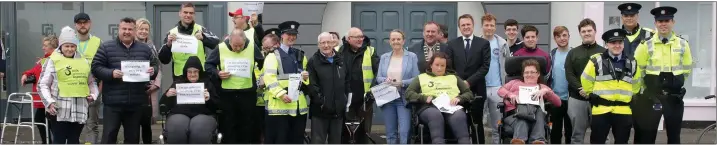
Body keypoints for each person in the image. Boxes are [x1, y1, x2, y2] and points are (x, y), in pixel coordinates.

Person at [92, 17, 159, 144]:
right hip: (113, 103)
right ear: (119, 29)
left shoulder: (145, 49)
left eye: (130, 29)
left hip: (135, 103)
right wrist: (111, 73)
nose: (127, 32)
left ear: (135, 31)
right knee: (109, 136)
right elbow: (95, 67)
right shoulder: (106, 47)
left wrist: (152, 71)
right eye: (124, 29)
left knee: (133, 138)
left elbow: (155, 66)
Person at [633, 6, 691, 144]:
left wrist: (677, 83)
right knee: (647, 137)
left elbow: (687, 69)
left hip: (673, 97)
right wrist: (638, 92)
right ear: (655, 23)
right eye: (660, 21)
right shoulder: (645, 45)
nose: (663, 24)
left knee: (674, 137)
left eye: (667, 20)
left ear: (673, 22)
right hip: (652, 98)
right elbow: (638, 72)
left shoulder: (683, 44)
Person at [38, 26, 100, 144]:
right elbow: (43, 84)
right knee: (59, 140)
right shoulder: (52, 60)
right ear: (61, 46)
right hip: (58, 110)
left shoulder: (84, 61)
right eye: (67, 46)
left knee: (74, 140)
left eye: (72, 46)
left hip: (79, 109)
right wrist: (49, 102)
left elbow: (91, 82)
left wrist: (93, 95)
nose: (70, 49)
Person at [581, 29, 641, 144]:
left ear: (624, 44)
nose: (617, 45)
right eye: (613, 43)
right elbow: (585, 80)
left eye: (620, 42)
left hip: (623, 111)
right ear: (607, 44)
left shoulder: (632, 62)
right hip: (601, 110)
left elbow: (636, 85)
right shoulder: (596, 60)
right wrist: (590, 93)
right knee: (597, 142)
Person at [205, 28, 264, 144]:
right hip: (227, 94)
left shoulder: (252, 47)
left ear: (245, 41)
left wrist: (261, 75)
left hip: (247, 93)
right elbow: (208, 65)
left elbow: (262, 62)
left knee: (247, 125)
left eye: (240, 46)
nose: (237, 49)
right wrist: (217, 73)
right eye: (234, 46)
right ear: (229, 40)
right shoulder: (221, 47)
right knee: (228, 126)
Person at [405, 52, 474, 144]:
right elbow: (408, 93)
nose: (439, 68)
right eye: (437, 65)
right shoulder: (421, 77)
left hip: (451, 107)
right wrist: (423, 98)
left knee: (459, 117)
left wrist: (460, 98)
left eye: (442, 65)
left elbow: (469, 93)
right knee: (435, 116)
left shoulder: (454, 77)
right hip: (430, 107)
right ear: (431, 65)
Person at [442, 14, 490, 144]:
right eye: (463, 25)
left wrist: (468, 82)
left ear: (473, 26)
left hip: (477, 90)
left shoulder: (484, 44)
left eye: (468, 24)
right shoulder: (452, 44)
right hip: (456, 91)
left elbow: (485, 67)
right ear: (459, 27)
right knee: (456, 121)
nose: (466, 27)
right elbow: (449, 67)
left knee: (476, 123)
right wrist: (460, 83)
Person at [262, 21, 310, 144]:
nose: (291, 37)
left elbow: (305, 81)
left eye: (294, 34)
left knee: (296, 141)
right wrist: (281, 94)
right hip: (280, 108)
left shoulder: (301, 55)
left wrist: (306, 78)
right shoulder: (272, 56)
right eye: (289, 34)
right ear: (282, 36)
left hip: (299, 108)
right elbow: (269, 78)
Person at [497, 59, 562, 144]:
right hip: (514, 116)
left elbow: (558, 103)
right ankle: (536, 140)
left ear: (538, 74)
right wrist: (510, 95)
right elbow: (500, 90)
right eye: (526, 72)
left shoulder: (542, 87)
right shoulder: (514, 83)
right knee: (523, 116)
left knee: (536, 112)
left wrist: (546, 91)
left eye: (532, 72)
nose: (529, 74)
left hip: (536, 117)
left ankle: (521, 141)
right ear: (523, 74)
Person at [565, 18, 606, 144]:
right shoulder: (573, 53)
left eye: (589, 30)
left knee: (602, 134)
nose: (586, 33)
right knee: (577, 135)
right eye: (583, 31)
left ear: (595, 31)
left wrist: (592, 91)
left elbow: (607, 76)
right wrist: (581, 89)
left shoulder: (604, 52)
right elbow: (569, 74)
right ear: (580, 33)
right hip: (577, 98)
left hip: (599, 99)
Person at [160, 56, 219, 144]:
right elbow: (163, 104)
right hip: (179, 113)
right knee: (177, 127)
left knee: (198, 129)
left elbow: (217, 105)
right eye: (189, 72)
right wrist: (167, 95)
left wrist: (209, 99)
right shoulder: (178, 83)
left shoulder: (207, 83)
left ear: (200, 72)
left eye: (195, 71)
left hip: (203, 114)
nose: (192, 74)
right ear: (185, 72)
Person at [376, 30, 420, 144]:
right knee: (391, 133)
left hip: (403, 97)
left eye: (398, 39)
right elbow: (378, 78)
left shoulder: (411, 56)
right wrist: (385, 80)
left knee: (404, 132)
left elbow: (416, 78)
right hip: (387, 96)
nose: (396, 41)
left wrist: (402, 83)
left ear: (403, 41)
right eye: (393, 39)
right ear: (390, 42)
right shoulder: (384, 57)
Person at [337, 27, 379, 144]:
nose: (360, 39)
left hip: (365, 99)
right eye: (357, 37)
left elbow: (378, 72)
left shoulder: (370, 51)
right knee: (345, 133)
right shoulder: (339, 51)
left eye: (361, 37)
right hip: (345, 98)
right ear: (349, 39)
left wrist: (373, 91)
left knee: (364, 132)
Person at [306, 32, 349, 144]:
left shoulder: (341, 60)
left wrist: (343, 101)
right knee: (318, 141)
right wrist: (322, 102)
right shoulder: (313, 61)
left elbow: (346, 82)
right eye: (322, 43)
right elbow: (312, 85)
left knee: (335, 141)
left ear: (333, 43)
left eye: (328, 42)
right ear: (318, 45)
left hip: (338, 111)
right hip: (320, 111)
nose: (326, 45)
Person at [159, 2, 220, 81]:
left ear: (194, 15)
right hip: (180, 77)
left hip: (199, 75)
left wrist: (204, 38)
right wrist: (168, 45)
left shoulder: (201, 30)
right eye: (185, 12)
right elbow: (163, 60)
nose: (188, 15)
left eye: (191, 13)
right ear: (180, 13)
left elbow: (217, 43)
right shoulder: (171, 33)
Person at [477, 14, 511, 144]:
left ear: (495, 27)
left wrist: (505, 86)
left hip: (498, 88)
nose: (489, 28)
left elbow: (507, 66)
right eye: (486, 25)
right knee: (479, 122)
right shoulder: (477, 43)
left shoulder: (502, 44)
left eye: (492, 25)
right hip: (481, 88)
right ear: (482, 26)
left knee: (497, 125)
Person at [73, 12, 103, 144]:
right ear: (75, 25)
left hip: (93, 88)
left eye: (85, 22)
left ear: (90, 23)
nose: (82, 25)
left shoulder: (98, 42)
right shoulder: (69, 41)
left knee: (92, 124)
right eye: (79, 23)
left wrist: (100, 89)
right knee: (74, 123)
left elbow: (103, 65)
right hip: (72, 89)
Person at [21, 35, 57, 144]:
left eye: (45, 45)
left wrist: (29, 73)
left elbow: (40, 73)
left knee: (48, 122)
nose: (43, 48)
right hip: (43, 98)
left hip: (47, 98)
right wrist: (26, 74)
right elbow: (34, 70)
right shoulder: (45, 59)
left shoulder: (52, 60)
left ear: (53, 47)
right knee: (44, 121)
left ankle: (51, 142)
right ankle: (48, 142)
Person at [136, 17, 161, 144]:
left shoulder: (152, 46)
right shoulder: (130, 45)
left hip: (149, 88)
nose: (143, 31)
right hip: (134, 89)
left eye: (146, 29)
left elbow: (158, 67)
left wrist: (156, 84)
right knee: (133, 122)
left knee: (147, 123)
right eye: (141, 28)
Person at [547, 26, 572, 144]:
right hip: (555, 99)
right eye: (558, 36)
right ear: (555, 38)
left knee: (570, 132)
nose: (562, 38)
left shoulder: (574, 53)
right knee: (555, 132)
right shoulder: (551, 55)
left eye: (564, 35)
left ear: (568, 36)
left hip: (572, 99)